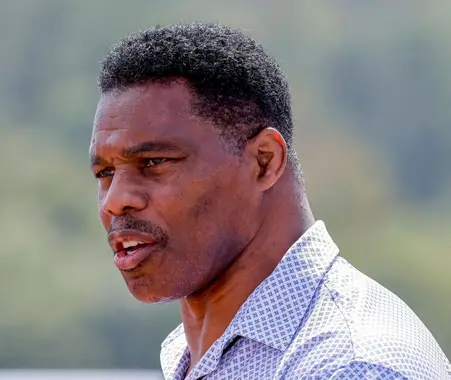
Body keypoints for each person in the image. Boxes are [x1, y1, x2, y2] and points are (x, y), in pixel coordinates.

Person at [88, 22, 451, 379]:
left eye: (154, 163)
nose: (115, 201)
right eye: (104, 172)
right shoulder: (189, 353)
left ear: (264, 161)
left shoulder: (350, 365)